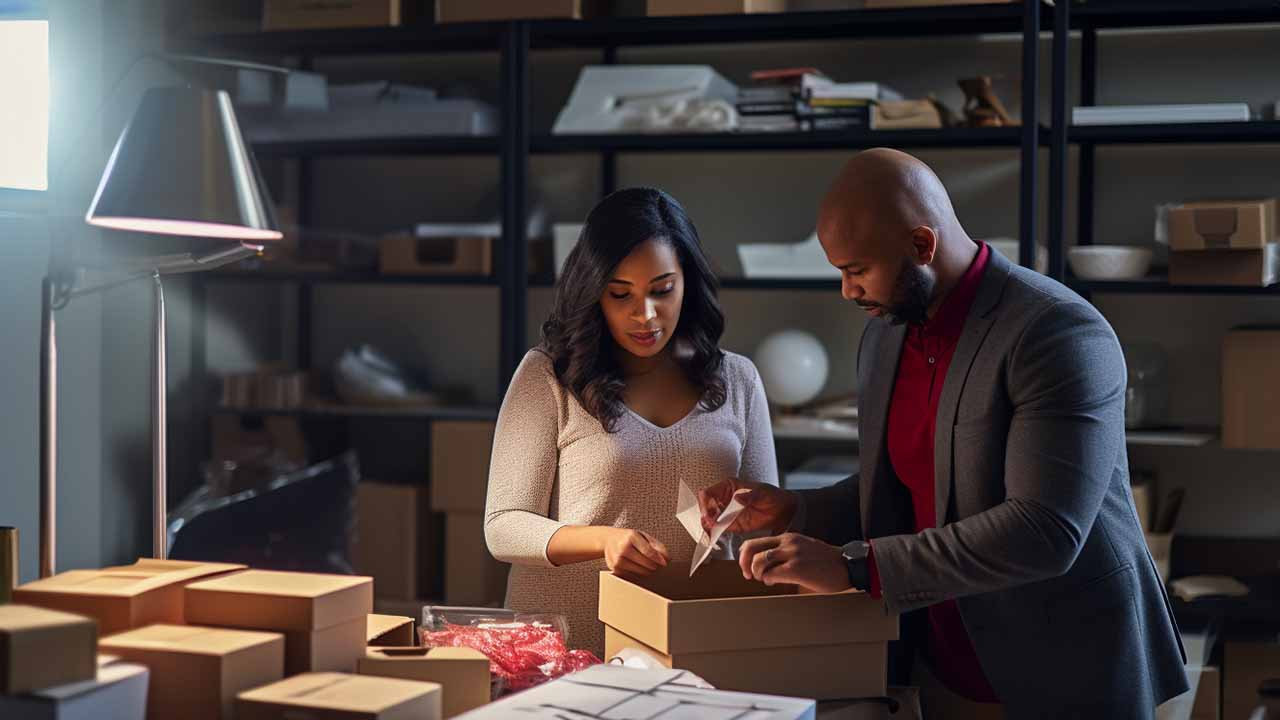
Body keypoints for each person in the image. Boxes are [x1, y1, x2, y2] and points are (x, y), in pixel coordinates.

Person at [699, 149, 1188, 718]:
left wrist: (858, 566)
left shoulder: (1056, 333)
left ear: (922, 245)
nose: (848, 291)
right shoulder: (885, 335)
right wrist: (790, 510)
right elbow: (907, 485)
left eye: (857, 270)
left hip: (1064, 671)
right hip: (941, 669)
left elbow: (1045, 529)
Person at [485, 187, 778, 657]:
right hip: (565, 649)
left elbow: (767, 523)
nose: (645, 315)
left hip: (691, 646)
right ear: (594, 291)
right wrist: (604, 541)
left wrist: (752, 511)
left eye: (663, 291)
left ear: (688, 282)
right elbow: (502, 527)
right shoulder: (548, 376)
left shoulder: (738, 378)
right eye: (620, 294)